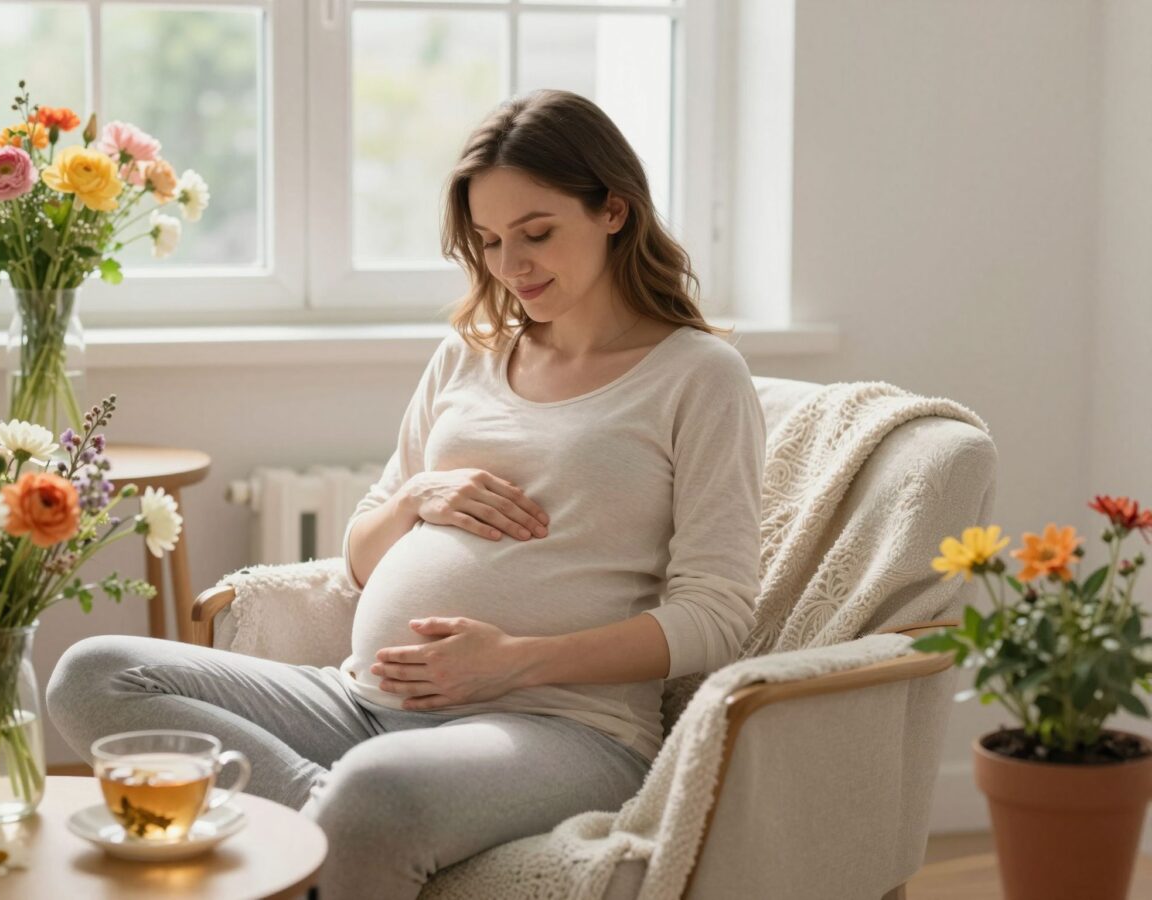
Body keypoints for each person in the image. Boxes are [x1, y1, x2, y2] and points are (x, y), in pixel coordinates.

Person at [46, 88, 766, 899]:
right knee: (91, 674)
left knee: (378, 792)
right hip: (357, 700)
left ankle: (339, 824)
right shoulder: (469, 354)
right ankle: (330, 827)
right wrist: (416, 495)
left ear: (614, 212)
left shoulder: (698, 377)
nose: (511, 267)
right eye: (490, 242)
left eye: (536, 234)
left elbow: (717, 616)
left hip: (558, 726)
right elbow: (358, 559)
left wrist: (513, 665)